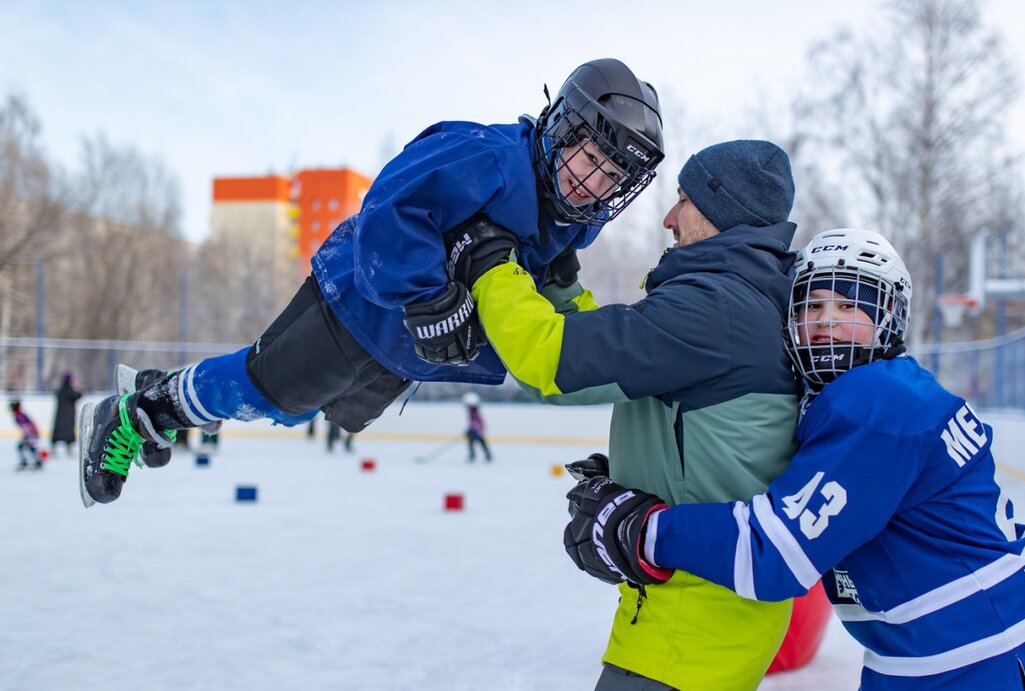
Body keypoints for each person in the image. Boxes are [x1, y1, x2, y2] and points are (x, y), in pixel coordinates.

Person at [563, 228, 1025, 691]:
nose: (826, 320)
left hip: (993, 681)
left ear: (888, 317)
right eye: (812, 305)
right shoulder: (864, 394)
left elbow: (775, 555)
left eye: (849, 305)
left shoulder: (877, 401)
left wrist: (642, 528)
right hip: (932, 674)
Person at [77, 58, 665, 507]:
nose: (592, 182)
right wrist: (426, 294)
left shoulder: (568, 223)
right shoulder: (488, 156)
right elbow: (392, 204)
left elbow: (537, 279)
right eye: (589, 159)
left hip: (403, 350)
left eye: (610, 176)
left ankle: (163, 395)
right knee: (265, 389)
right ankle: (135, 412)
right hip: (358, 305)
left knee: (290, 411)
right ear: (562, 129)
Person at [450, 140, 799, 691]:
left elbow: (551, 363)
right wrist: (558, 284)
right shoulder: (746, 300)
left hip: (686, 637)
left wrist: (490, 264)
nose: (670, 218)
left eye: (686, 201)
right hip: (716, 625)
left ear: (721, 211)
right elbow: (615, 356)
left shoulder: (713, 309)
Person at [51, 372, 83, 455]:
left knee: (58, 432)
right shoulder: (70, 391)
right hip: (69, 416)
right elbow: (79, 395)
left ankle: (54, 449)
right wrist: (78, 387)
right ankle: (69, 450)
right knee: (68, 433)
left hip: (60, 416)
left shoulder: (60, 391)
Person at [9, 398, 44, 471]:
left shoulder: (19, 415)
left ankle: (33, 462)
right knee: (26, 447)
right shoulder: (19, 414)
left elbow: (27, 425)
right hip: (31, 433)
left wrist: (28, 435)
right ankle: (34, 462)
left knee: (25, 447)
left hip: (31, 434)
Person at [462, 391, 491, 462]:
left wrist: (473, 429)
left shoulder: (474, 412)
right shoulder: (473, 412)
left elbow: (477, 422)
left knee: (478, 442)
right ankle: (486, 455)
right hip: (477, 430)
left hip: (477, 431)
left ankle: (485, 455)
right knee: (477, 443)